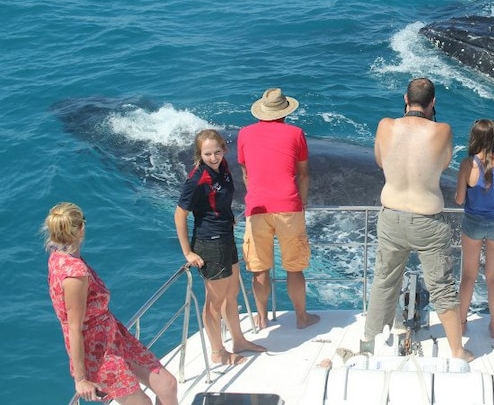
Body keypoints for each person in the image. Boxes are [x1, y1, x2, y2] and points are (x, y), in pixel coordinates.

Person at [362, 77, 472, 361]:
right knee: (442, 288)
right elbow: (444, 163)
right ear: (433, 103)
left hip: (392, 218)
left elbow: (379, 160)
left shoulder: (385, 126)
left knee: (384, 282)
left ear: (405, 99)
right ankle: (458, 352)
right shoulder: (443, 130)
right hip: (428, 221)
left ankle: (368, 347)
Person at [44, 202, 178, 405]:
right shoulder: (74, 274)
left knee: (167, 385)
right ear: (81, 229)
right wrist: (81, 379)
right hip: (98, 354)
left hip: (115, 337)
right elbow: (73, 326)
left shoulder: (59, 256)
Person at [174, 129, 266, 365]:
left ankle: (239, 340)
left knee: (232, 294)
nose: (213, 157)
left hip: (226, 237)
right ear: (199, 154)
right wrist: (188, 252)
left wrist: (228, 216)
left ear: (224, 149)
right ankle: (218, 352)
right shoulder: (196, 179)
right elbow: (180, 214)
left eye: (217, 151)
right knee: (214, 303)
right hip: (208, 244)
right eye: (207, 154)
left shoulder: (223, 167)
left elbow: (219, 200)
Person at [237, 87, 319, 330]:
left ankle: (261, 319)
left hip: (257, 207)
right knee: (295, 268)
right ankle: (302, 318)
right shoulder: (296, 133)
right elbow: (303, 175)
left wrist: (255, 195)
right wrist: (300, 203)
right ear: (285, 112)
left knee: (259, 269)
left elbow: (246, 174)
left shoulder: (244, 134)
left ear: (261, 111)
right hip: (288, 206)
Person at [455, 118, 494, 339]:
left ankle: (461, 324)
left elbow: (460, 198)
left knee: (468, 277)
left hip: (473, 223)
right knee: (493, 277)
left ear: (474, 138)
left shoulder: (466, 164)